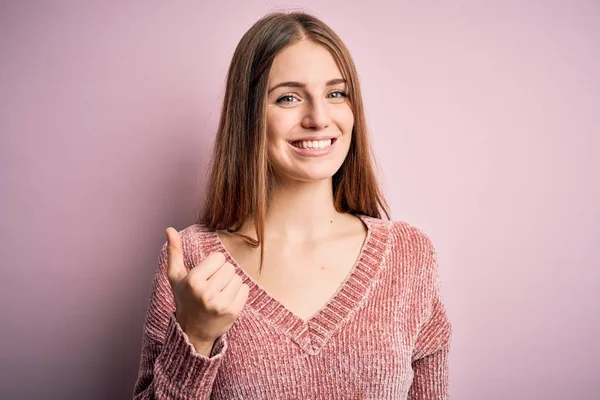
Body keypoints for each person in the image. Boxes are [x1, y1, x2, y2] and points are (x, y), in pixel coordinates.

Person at [133, 10, 452, 400]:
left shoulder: (409, 254)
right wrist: (196, 336)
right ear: (248, 117)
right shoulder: (192, 262)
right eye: (288, 98)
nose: (319, 118)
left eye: (336, 94)